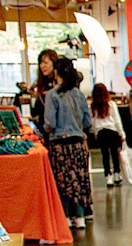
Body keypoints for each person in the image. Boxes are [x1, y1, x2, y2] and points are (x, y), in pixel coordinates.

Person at [45, 58, 92, 230]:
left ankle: (64, 216)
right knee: (78, 179)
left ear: (56, 72)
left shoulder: (52, 95)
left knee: (62, 181)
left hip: (59, 143)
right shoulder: (79, 94)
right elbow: (87, 121)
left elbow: (49, 123)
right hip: (78, 143)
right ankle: (79, 216)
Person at [89, 83, 125, 187]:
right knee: (114, 153)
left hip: (101, 133)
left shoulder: (93, 106)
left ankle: (108, 177)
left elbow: (93, 122)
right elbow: (117, 120)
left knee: (105, 155)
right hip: (112, 131)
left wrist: (94, 132)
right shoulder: (111, 105)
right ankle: (117, 174)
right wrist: (122, 134)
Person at [30, 49, 59, 141]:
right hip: (44, 132)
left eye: (46, 63)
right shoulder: (41, 85)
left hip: (57, 133)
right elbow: (36, 111)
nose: (43, 66)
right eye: (41, 63)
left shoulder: (59, 86)